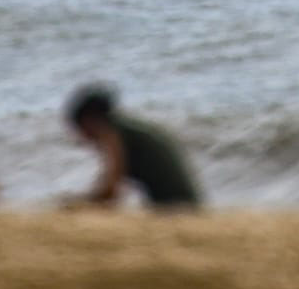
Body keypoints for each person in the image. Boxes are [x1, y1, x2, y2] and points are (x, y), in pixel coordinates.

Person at [63, 85, 202, 210]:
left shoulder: (111, 134)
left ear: (89, 121)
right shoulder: (125, 128)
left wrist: (79, 204)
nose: (82, 137)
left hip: (176, 208)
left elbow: (110, 192)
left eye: (80, 129)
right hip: (187, 202)